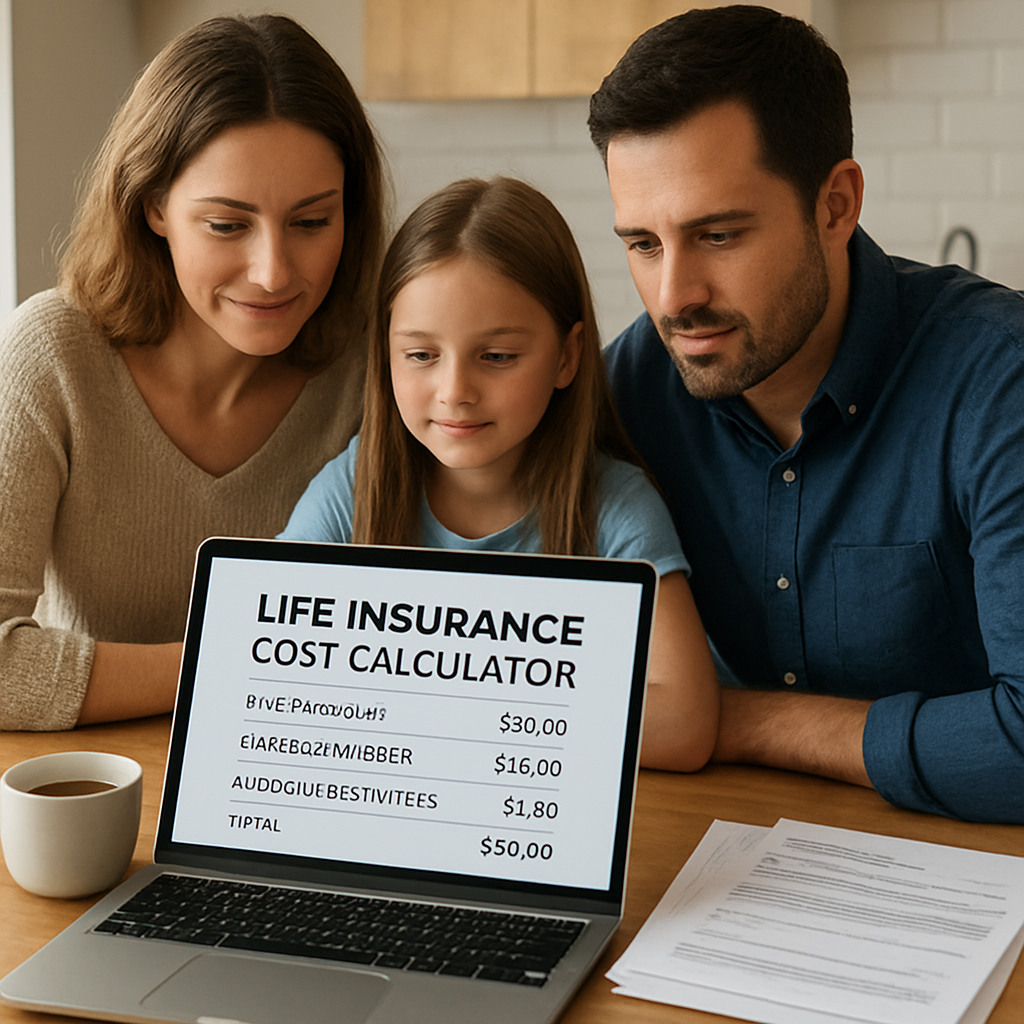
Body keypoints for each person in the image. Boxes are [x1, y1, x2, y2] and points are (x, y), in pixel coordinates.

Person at [588, 4, 1024, 823]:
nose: (674, 297)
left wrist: (738, 721)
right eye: (643, 244)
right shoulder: (626, 392)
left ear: (835, 205)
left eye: (718, 235)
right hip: (720, 847)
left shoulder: (1001, 380)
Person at [0, 14, 386, 731]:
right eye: (227, 224)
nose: (273, 272)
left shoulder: (381, 366)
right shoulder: (51, 354)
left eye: (311, 222)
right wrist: (232, 662)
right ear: (153, 205)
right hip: (95, 783)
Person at [280, 176, 719, 770]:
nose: (455, 391)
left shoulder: (616, 508)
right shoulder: (351, 488)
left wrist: (420, 708)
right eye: (421, 355)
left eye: (496, 357)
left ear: (566, 357)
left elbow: (686, 726)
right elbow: (261, 671)